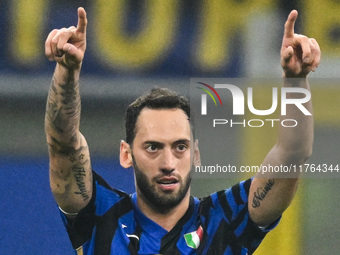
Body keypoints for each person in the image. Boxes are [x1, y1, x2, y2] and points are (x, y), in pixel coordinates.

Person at [44, 7, 321, 255]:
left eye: (180, 147)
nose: (168, 163)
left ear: (195, 154)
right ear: (126, 154)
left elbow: (293, 154)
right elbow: (63, 145)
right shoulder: (100, 217)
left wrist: (296, 82)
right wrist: (67, 72)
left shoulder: (225, 219)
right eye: (153, 147)